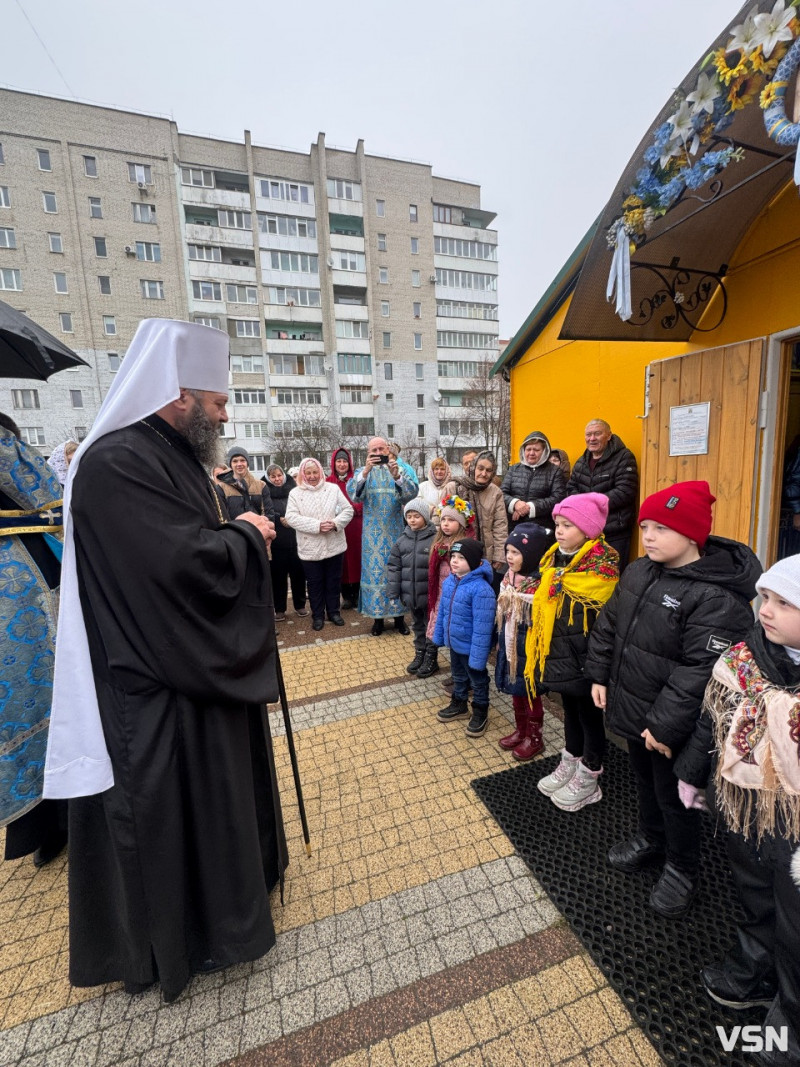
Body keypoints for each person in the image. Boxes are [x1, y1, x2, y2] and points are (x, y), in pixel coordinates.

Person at [43, 318, 288, 1002]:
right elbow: (180, 565)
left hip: (183, 668)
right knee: (160, 818)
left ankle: (222, 919)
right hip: (148, 689)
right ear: (178, 393)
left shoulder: (167, 453)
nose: (225, 411)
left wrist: (235, 533)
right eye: (216, 399)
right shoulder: (117, 463)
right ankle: (172, 946)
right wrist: (245, 535)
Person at [585, 480, 761, 918]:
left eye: (661, 528)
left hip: (673, 726)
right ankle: (651, 838)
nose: (647, 536)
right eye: (645, 526)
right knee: (644, 783)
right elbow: (610, 623)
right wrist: (600, 675)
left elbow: (701, 671)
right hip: (634, 708)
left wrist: (664, 725)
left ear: (692, 535)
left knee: (677, 796)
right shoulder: (640, 570)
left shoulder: (716, 597)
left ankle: (682, 868)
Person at [674, 557, 800, 1064]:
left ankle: (792, 1017)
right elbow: (713, 720)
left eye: (783, 602)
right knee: (751, 889)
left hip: (796, 825)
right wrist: (691, 772)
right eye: (764, 597)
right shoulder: (745, 658)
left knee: (797, 921)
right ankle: (753, 966)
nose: (765, 610)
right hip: (746, 806)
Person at [1, 415, 67, 868]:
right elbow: (49, 493)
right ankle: (56, 823)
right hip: (20, 582)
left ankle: (45, 827)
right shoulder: (6, 443)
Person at [528, 494, 619, 810]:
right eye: (557, 524)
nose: (559, 531)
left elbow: (605, 623)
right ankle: (571, 758)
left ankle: (590, 771)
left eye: (568, 525)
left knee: (590, 716)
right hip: (561, 654)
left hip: (587, 658)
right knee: (570, 710)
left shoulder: (601, 568)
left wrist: (598, 668)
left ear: (588, 529)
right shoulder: (554, 560)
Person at [347, 437, 418, 636]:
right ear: (368, 452)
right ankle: (377, 620)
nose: (378, 452)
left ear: (388, 449)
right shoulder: (363, 472)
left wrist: (397, 477)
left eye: (381, 448)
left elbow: (410, 495)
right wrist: (367, 471)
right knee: (375, 576)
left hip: (395, 532)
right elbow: (354, 496)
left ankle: (399, 619)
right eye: (374, 449)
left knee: (396, 575)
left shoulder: (399, 469)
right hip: (372, 536)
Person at [494, 524, 552, 761]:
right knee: (514, 688)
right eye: (508, 550)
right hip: (510, 640)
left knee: (530, 692)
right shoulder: (509, 576)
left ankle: (535, 738)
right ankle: (521, 730)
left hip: (528, 646)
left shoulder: (540, 582)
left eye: (516, 552)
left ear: (532, 555)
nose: (509, 556)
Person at [434, 539, 496, 737]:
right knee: (458, 676)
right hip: (455, 643)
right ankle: (459, 703)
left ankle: (480, 711)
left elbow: (483, 627)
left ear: (476, 562)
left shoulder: (481, 589)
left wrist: (478, 656)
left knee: (478, 680)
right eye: (453, 556)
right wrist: (440, 636)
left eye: (461, 558)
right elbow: (442, 612)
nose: (454, 561)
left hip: (471, 647)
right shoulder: (451, 581)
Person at [285, 457, 353, 631]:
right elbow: (292, 517)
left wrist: (336, 523)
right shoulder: (295, 493)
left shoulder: (333, 488)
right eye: (308, 473)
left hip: (334, 544)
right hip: (310, 547)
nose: (312, 476)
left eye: (315, 472)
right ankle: (317, 615)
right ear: (302, 474)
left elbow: (348, 509)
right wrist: (317, 526)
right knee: (314, 583)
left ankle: (334, 612)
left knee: (333, 581)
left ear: (320, 472)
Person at [566, 419, 638, 569]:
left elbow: (625, 491)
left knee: (612, 576)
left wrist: (590, 505)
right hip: (587, 532)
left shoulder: (623, 457)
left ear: (609, 435)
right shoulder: (582, 461)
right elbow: (571, 487)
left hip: (615, 531)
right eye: (588, 435)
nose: (592, 438)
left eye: (597, 434)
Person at [423, 496, 476, 679]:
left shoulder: (465, 545)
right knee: (435, 624)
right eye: (443, 519)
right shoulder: (438, 543)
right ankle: (432, 658)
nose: (445, 524)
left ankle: (461, 675)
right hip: (440, 593)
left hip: (457, 595)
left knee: (455, 629)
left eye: (451, 520)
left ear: (461, 523)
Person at [444, 449, 508, 592]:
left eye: (489, 470)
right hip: (457, 553)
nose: (484, 473)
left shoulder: (495, 492)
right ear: (473, 467)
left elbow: (500, 525)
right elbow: (440, 520)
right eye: (480, 468)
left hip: (486, 555)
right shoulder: (454, 487)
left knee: (481, 596)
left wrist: (499, 555)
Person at [386, 498, 437, 674]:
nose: (412, 520)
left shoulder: (434, 539)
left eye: (416, 516)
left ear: (425, 517)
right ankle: (419, 653)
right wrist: (394, 591)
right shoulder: (402, 540)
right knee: (417, 625)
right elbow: (394, 566)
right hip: (411, 594)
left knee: (430, 625)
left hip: (429, 595)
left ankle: (431, 656)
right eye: (409, 516)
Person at [500, 430, 567, 532]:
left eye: (536, 450)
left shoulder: (555, 471)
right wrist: (515, 504)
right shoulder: (514, 469)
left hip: (542, 528)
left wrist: (530, 507)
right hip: (514, 527)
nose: (531, 453)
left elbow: (558, 498)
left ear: (544, 451)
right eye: (528, 449)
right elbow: (502, 494)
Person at [265, 464, 308, 622]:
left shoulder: (293, 488)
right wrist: (278, 518)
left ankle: (300, 605)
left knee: (298, 574)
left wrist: (292, 518)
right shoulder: (265, 490)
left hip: (296, 540)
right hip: (277, 542)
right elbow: (264, 509)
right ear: (269, 478)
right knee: (278, 577)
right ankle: (280, 608)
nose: (277, 479)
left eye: (279, 475)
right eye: (273, 476)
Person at [327, 448, 362, 610]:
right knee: (341, 561)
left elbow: (363, 499)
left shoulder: (356, 480)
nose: (342, 464)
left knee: (356, 559)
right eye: (339, 461)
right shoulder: (328, 482)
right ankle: (346, 596)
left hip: (355, 526)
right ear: (334, 463)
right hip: (338, 527)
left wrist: (351, 509)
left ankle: (358, 593)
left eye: (345, 461)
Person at [218, 446, 275, 521]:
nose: (239, 464)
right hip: (234, 531)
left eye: (242, 460)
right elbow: (221, 516)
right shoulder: (221, 488)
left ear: (247, 463)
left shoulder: (261, 485)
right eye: (235, 461)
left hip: (257, 531)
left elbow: (269, 514)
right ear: (230, 464)